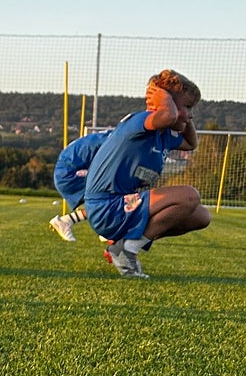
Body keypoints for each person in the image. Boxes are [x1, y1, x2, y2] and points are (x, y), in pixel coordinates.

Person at [82, 70, 209, 278]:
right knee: (189, 195)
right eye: (187, 106)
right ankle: (127, 250)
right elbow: (167, 115)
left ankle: (123, 245)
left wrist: (183, 116)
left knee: (201, 216)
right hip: (106, 208)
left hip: (125, 206)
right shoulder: (140, 121)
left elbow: (191, 143)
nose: (191, 114)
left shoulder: (164, 135)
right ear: (163, 101)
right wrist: (164, 99)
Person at [49, 127, 110, 243]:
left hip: (67, 170)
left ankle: (67, 220)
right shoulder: (113, 143)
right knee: (112, 196)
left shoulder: (111, 138)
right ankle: (107, 229)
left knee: (107, 200)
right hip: (69, 174)